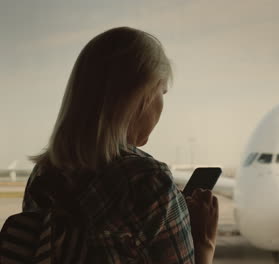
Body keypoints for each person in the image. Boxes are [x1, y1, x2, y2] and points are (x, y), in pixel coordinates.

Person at [21, 27, 218, 263]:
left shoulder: (44, 174)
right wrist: (203, 243)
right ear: (142, 95)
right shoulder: (148, 181)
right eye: (162, 92)